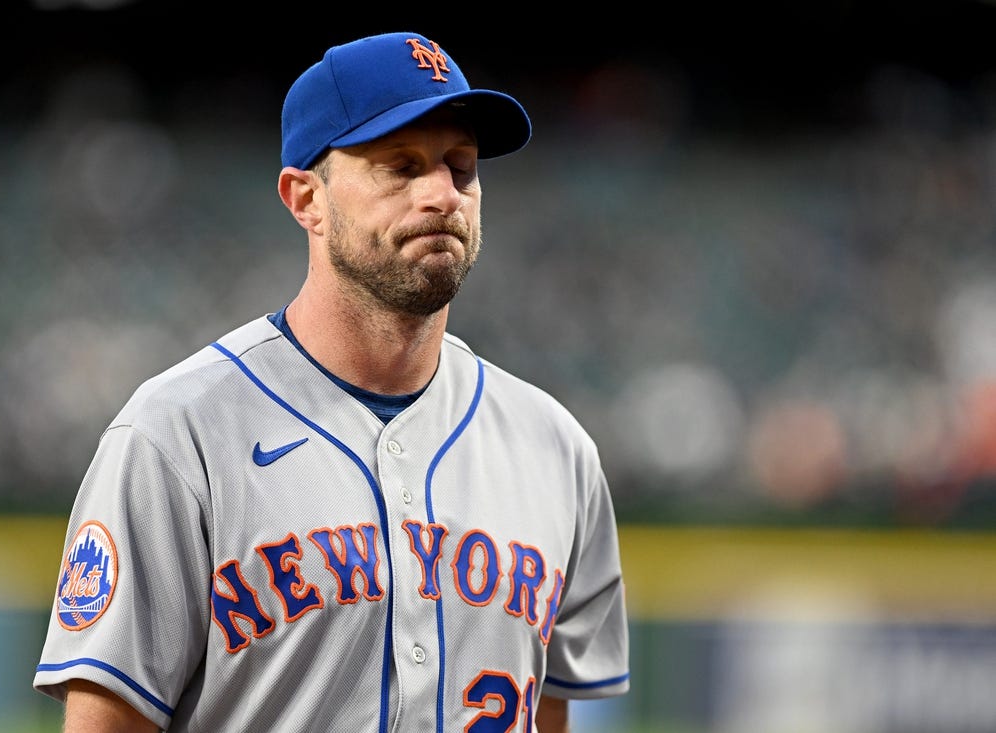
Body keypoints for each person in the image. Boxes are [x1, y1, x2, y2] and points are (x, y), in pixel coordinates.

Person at [33, 31, 630, 732]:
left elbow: (548, 712)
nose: (442, 194)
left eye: (461, 166)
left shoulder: (556, 448)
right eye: (400, 166)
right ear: (305, 198)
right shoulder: (177, 435)